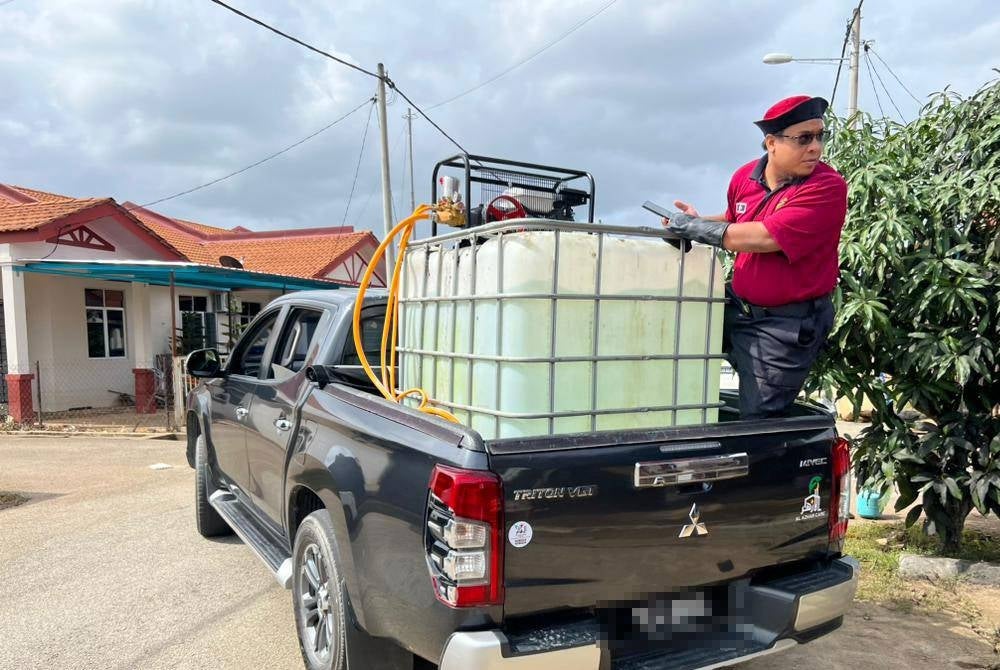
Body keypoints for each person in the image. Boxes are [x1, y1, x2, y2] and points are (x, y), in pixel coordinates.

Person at [662, 95, 848, 419]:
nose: (816, 148)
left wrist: (695, 229)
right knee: (668, 347)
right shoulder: (745, 177)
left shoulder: (826, 188)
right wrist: (698, 220)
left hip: (784, 325)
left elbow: (765, 237)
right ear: (771, 143)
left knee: (758, 421)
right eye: (804, 138)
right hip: (738, 306)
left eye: (820, 136)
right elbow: (736, 221)